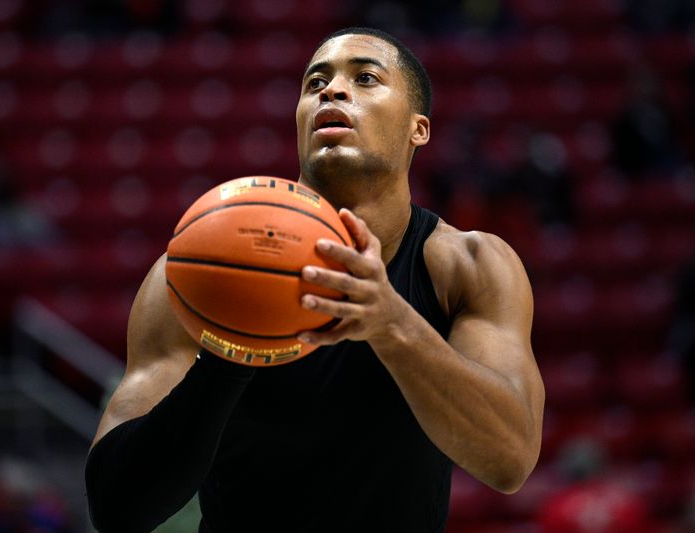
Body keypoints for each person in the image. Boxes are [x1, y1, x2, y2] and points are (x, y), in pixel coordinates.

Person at [85, 27, 545, 532]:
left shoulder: (471, 265)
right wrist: (229, 354)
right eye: (314, 83)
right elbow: (116, 509)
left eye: (366, 77)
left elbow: (510, 459)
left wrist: (390, 322)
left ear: (419, 129)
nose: (332, 90)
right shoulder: (196, 268)